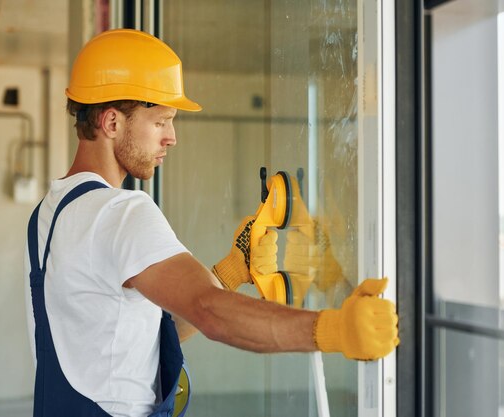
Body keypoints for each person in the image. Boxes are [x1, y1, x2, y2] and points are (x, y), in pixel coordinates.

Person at [24, 28, 399, 417]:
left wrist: (230, 272)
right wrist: (335, 329)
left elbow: (144, 336)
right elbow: (210, 311)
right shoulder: (121, 213)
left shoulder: (49, 217)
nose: (171, 137)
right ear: (112, 123)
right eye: (160, 121)